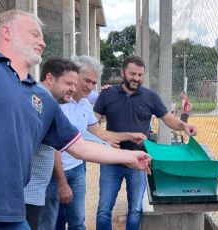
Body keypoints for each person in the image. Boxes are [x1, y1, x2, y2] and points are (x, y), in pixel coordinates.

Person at [0, 10, 151, 229]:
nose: (42, 42)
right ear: (7, 31)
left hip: (11, 215)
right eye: (35, 34)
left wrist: (129, 156)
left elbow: (80, 147)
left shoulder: (42, 98)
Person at [40, 55, 146, 230]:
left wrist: (127, 136)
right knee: (52, 223)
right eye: (86, 81)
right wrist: (62, 182)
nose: (90, 87)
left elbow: (97, 134)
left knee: (77, 221)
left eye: (93, 83)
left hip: (77, 169)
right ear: (75, 75)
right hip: (54, 173)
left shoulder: (84, 104)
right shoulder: (56, 102)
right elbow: (54, 147)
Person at [94, 55, 198, 230]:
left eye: (140, 75)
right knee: (104, 210)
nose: (136, 78)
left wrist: (184, 125)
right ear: (123, 72)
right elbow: (92, 124)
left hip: (138, 161)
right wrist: (104, 138)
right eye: (133, 73)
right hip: (111, 159)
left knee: (135, 210)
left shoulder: (150, 96)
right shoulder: (107, 94)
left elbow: (168, 119)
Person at [24, 58, 79, 230]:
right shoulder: (41, 103)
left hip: (33, 193)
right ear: (49, 78)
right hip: (26, 194)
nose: (73, 89)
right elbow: (78, 148)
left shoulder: (44, 102)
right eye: (69, 83)